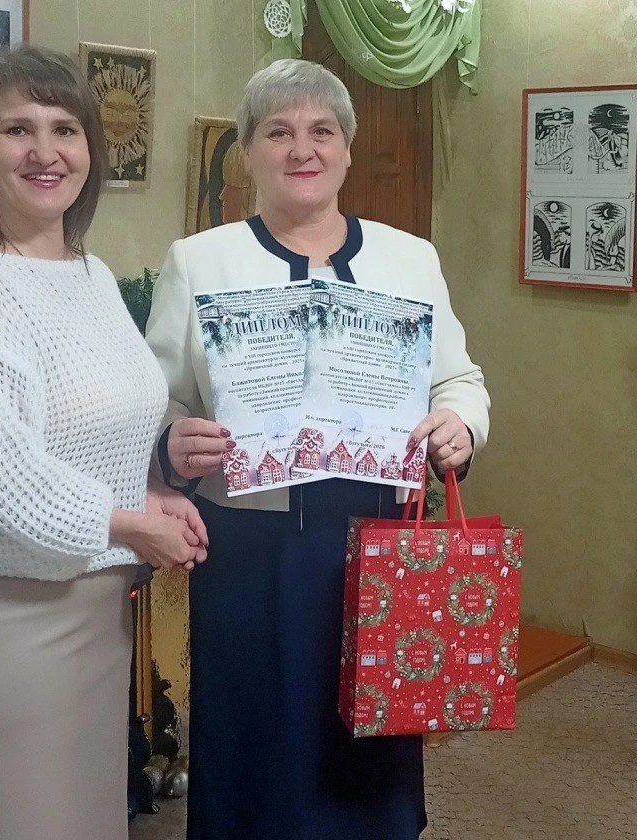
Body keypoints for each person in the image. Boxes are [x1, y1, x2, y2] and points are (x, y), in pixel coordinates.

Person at [145, 58, 490, 840]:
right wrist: (170, 440)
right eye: (278, 132)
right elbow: (158, 398)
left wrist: (459, 424)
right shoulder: (198, 261)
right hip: (248, 552)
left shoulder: (410, 258)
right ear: (248, 150)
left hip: (375, 547)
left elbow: (459, 381)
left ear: (346, 147)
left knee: (366, 754)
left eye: (322, 131)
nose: (302, 149)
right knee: (254, 753)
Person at [0, 44, 207, 840]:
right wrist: (132, 524)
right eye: (18, 130)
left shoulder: (90, 276)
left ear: (90, 149)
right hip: (1, 625)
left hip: (93, 618)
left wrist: (151, 491)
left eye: (65, 129)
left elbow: (94, 433)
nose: (45, 151)